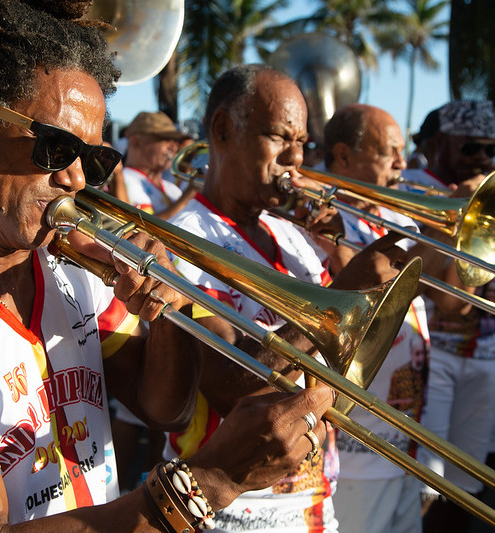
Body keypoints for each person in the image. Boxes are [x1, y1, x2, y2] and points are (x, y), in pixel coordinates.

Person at [0, 2, 335, 531]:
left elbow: (165, 409)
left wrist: (170, 306)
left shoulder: (69, 266)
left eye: (93, 159)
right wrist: (211, 481)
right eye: (55, 146)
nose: (75, 180)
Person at [165, 64, 411, 532]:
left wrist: (343, 255)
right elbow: (229, 387)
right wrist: (344, 289)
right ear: (223, 129)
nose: (295, 159)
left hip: (315, 496)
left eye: (303, 143)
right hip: (233, 509)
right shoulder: (182, 240)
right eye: (280, 138)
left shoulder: (293, 234)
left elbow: (343, 361)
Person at [401, 100, 495, 532]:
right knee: (423, 479)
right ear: (438, 143)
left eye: (490, 150)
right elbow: (426, 279)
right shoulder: (410, 185)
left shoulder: (492, 187)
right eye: (470, 148)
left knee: (468, 479)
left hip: (485, 348)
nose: (482, 159)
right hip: (429, 352)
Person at [322, 103, 430, 533]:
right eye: (390, 152)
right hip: (356, 444)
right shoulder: (319, 216)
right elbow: (349, 304)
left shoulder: (397, 215)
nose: (404, 164)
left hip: (404, 430)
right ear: (345, 156)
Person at [120, 111, 199, 219]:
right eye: (165, 139)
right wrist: (190, 194)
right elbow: (141, 230)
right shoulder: (125, 180)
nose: (174, 147)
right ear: (136, 142)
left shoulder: (171, 188)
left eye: (175, 140)